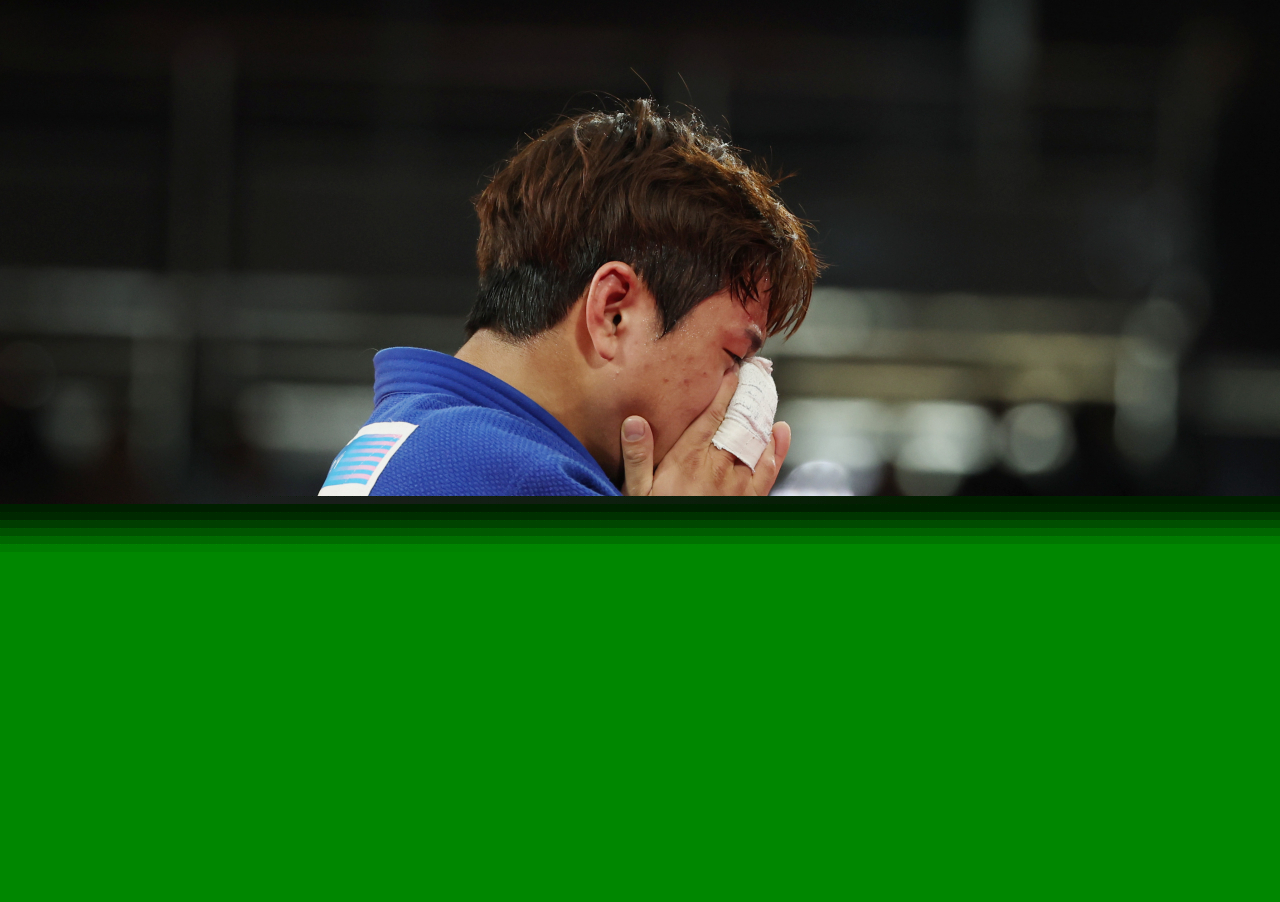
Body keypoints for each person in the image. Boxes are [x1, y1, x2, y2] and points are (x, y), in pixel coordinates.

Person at [319, 99, 819, 497]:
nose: (744, 399)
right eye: (734, 358)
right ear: (613, 312)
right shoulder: (514, 480)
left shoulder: (421, 439)